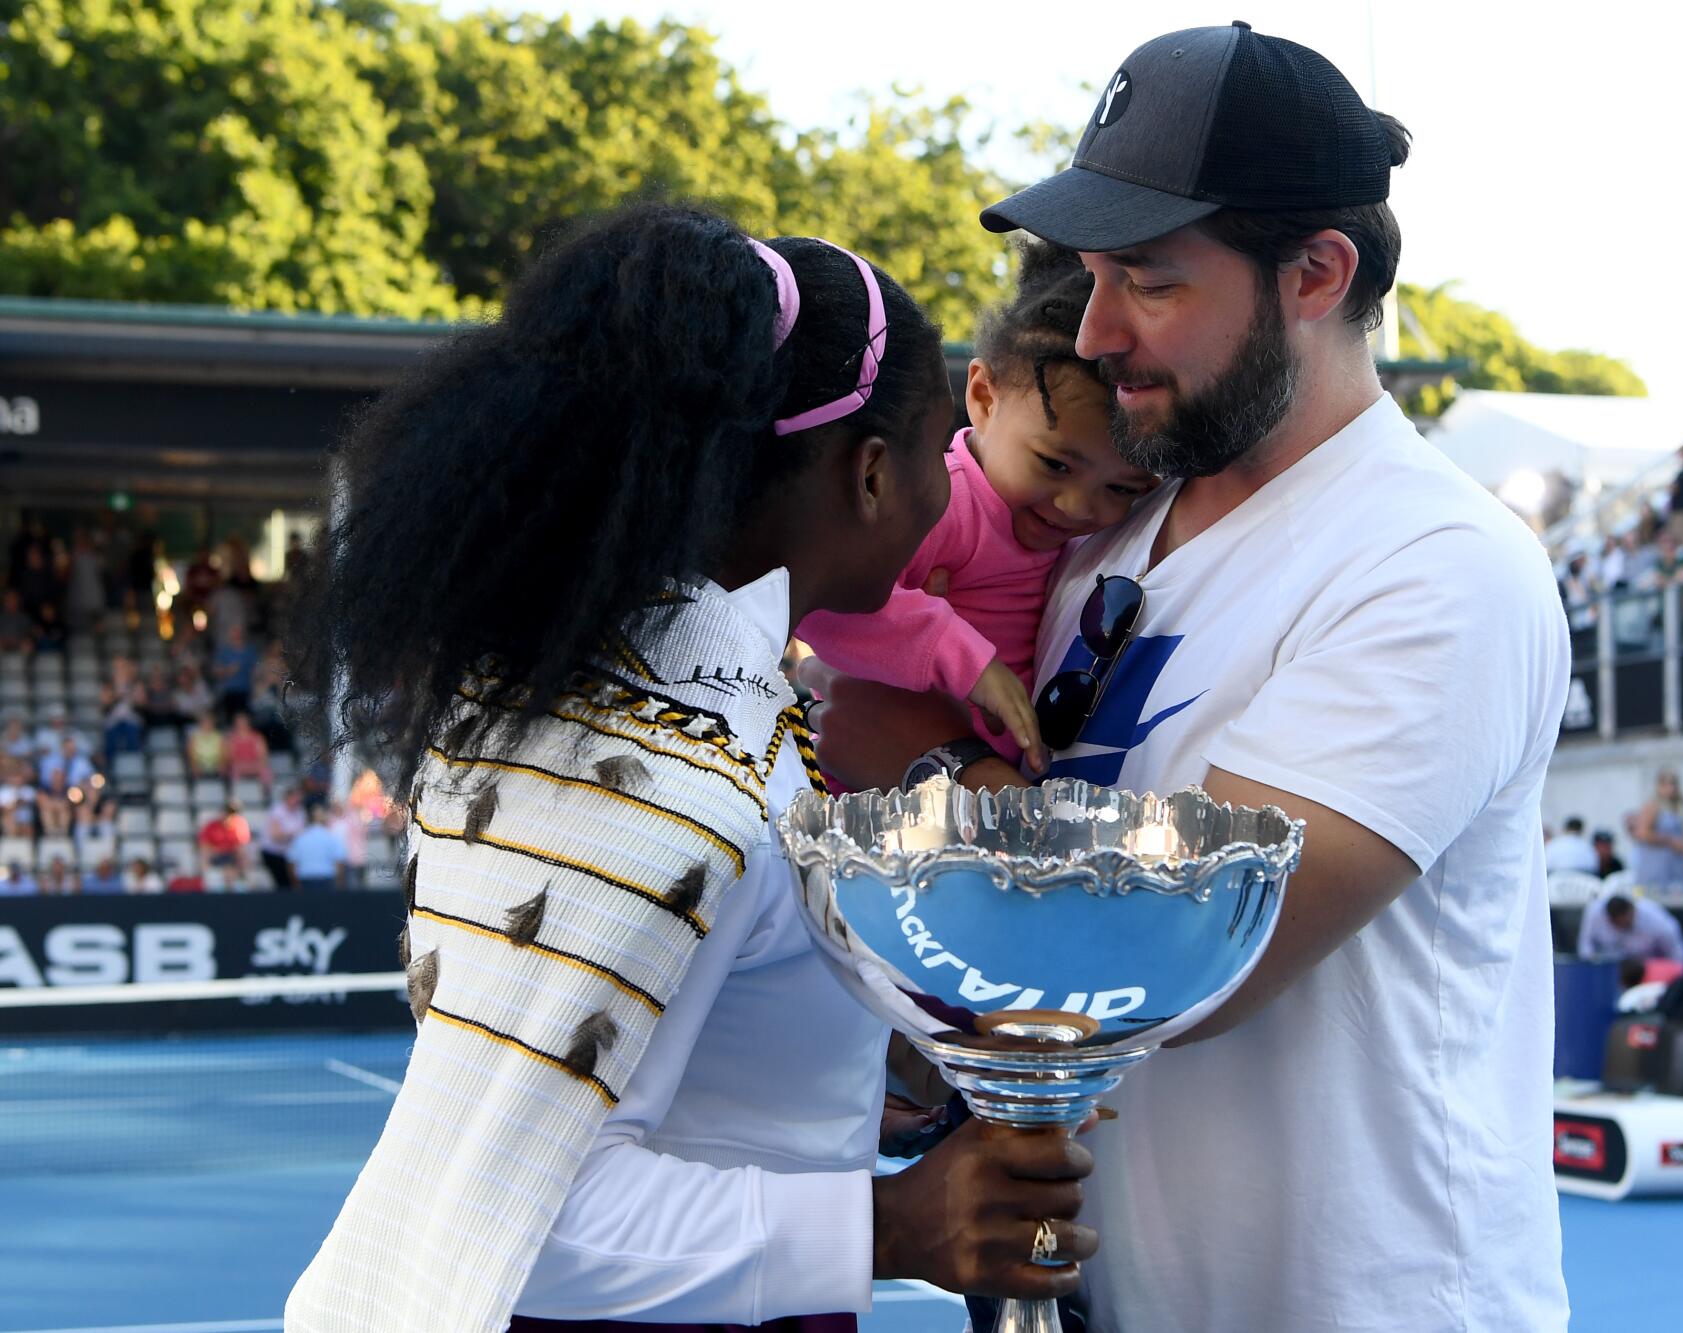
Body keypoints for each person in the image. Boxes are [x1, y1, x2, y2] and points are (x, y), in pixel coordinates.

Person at [813, 27, 1569, 1327]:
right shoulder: (1090, 535)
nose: (1098, 332)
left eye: (1151, 282)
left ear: (1316, 274)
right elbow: (874, 723)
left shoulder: (1438, 565)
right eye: (1093, 277)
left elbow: (1201, 951)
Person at [286, 204, 1090, 1331]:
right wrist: (895, 1225)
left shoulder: (627, 694)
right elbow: (525, 1219)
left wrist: (895, 1080)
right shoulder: (673, 769)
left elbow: (710, 1056)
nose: (943, 493)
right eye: (927, 455)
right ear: (868, 475)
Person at [798, 242, 1153, 773]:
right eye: (1055, 465)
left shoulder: (1070, 534)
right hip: (877, 789)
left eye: (1123, 489)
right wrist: (961, 656)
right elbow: (818, 600)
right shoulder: (945, 502)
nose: (1079, 506)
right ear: (984, 398)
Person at [1628, 766, 1683, 892]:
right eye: (1666, 784)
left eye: (1673, 784)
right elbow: (1641, 833)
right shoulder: (1652, 806)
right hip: (1656, 870)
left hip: (1674, 869)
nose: (1671, 789)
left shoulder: (1678, 808)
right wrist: (1669, 841)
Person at [1578, 892, 1683, 964]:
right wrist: (1592, 963)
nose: (1620, 927)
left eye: (1623, 922)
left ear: (1631, 911)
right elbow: (1585, 947)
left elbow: (1678, 956)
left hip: (1648, 966)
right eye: (1616, 923)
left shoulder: (1657, 922)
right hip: (1610, 966)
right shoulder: (1595, 913)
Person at [283, 806, 343, 895]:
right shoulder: (332, 837)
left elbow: (291, 863)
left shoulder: (300, 838)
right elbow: (339, 864)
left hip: (306, 881)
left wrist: (296, 884)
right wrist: (338, 885)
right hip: (326, 880)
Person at [259, 785, 307, 889]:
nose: (298, 801)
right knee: (284, 883)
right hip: (274, 854)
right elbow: (275, 836)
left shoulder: (300, 812)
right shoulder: (277, 811)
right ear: (288, 797)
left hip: (289, 855)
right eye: (295, 798)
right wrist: (293, 834)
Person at [224, 711, 273, 786]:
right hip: (239, 765)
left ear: (248, 723)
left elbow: (262, 754)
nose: (241, 725)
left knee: (265, 770)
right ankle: (236, 793)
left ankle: (266, 793)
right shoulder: (232, 738)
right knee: (234, 770)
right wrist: (241, 764)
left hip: (254, 764)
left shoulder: (257, 737)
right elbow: (230, 756)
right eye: (239, 723)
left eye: (243, 722)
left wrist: (255, 764)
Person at [185, 711, 226, 778]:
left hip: (215, 764)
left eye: (209, 723)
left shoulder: (219, 736)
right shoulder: (194, 737)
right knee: (195, 770)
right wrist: (195, 765)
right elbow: (190, 754)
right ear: (201, 724)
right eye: (205, 723)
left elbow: (224, 753)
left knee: (222, 769)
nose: (207, 725)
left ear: (213, 724)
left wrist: (222, 764)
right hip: (200, 764)